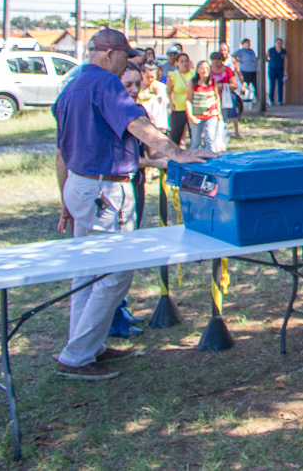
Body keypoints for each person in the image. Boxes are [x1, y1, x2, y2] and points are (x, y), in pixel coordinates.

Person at [52, 28, 211, 380]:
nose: (129, 63)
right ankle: (77, 355)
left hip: (82, 186)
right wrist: (179, 153)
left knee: (87, 273)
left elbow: (62, 149)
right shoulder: (105, 84)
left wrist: (65, 194)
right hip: (104, 190)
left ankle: (86, 346)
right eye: (125, 56)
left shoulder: (72, 86)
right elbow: (138, 124)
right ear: (108, 54)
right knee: (116, 271)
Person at [187, 61, 221, 152]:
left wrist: (219, 113)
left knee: (210, 138)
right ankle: (194, 160)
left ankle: (212, 159)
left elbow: (217, 97)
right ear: (197, 70)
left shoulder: (213, 82)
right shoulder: (193, 83)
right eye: (202, 68)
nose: (204, 71)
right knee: (196, 141)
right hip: (197, 116)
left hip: (211, 114)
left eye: (206, 68)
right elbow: (188, 100)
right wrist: (190, 116)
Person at [210, 50, 241, 147]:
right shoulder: (209, 70)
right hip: (213, 96)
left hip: (226, 96)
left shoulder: (228, 71)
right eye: (214, 62)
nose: (216, 64)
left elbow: (235, 85)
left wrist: (223, 86)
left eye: (218, 61)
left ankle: (236, 132)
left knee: (231, 114)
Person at [165, 51, 194, 147]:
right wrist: (171, 103)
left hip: (192, 109)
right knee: (175, 136)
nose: (184, 63)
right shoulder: (173, 75)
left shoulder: (194, 73)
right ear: (177, 63)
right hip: (178, 109)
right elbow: (168, 91)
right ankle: (173, 157)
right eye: (181, 61)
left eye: (186, 61)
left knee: (194, 136)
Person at [136, 64, 169, 134]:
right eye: (148, 77)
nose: (150, 80)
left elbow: (166, 103)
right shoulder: (137, 86)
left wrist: (158, 94)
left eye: (152, 77)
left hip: (156, 121)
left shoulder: (160, 87)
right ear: (142, 74)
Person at [267, 38, 287, 105]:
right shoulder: (271, 50)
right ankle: (271, 100)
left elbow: (285, 61)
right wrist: (268, 61)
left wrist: (285, 71)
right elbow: (265, 56)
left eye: (280, 43)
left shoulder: (283, 51)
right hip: (272, 69)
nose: (279, 44)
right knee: (272, 85)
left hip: (280, 69)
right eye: (278, 43)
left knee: (280, 85)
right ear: (275, 43)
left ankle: (280, 100)